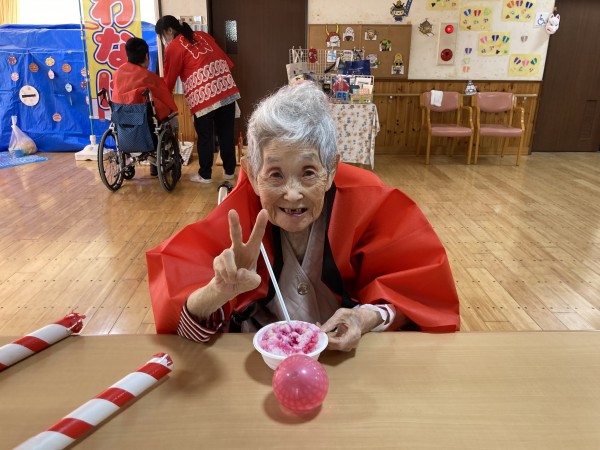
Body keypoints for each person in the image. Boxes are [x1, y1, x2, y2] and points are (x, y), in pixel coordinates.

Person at [146, 82, 460, 352]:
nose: (293, 194)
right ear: (252, 173)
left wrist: (365, 317)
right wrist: (218, 291)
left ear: (332, 169)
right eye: (275, 174)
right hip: (260, 360)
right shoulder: (237, 219)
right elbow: (182, 333)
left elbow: (419, 297)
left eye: (309, 172)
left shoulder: (370, 204)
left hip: (346, 358)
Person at [155, 15, 240, 184]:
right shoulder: (202, 35)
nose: (164, 41)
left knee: (205, 135)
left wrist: (162, 100)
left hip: (203, 95)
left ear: (169, 30)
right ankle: (229, 171)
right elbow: (225, 60)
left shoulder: (174, 47)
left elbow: (169, 80)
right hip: (225, 86)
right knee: (226, 132)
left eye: (162, 36)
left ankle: (205, 174)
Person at [112, 37, 178, 176]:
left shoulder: (117, 74)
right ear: (146, 56)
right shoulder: (149, 77)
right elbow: (165, 102)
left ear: (128, 55)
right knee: (171, 119)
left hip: (123, 127)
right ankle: (160, 161)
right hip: (146, 129)